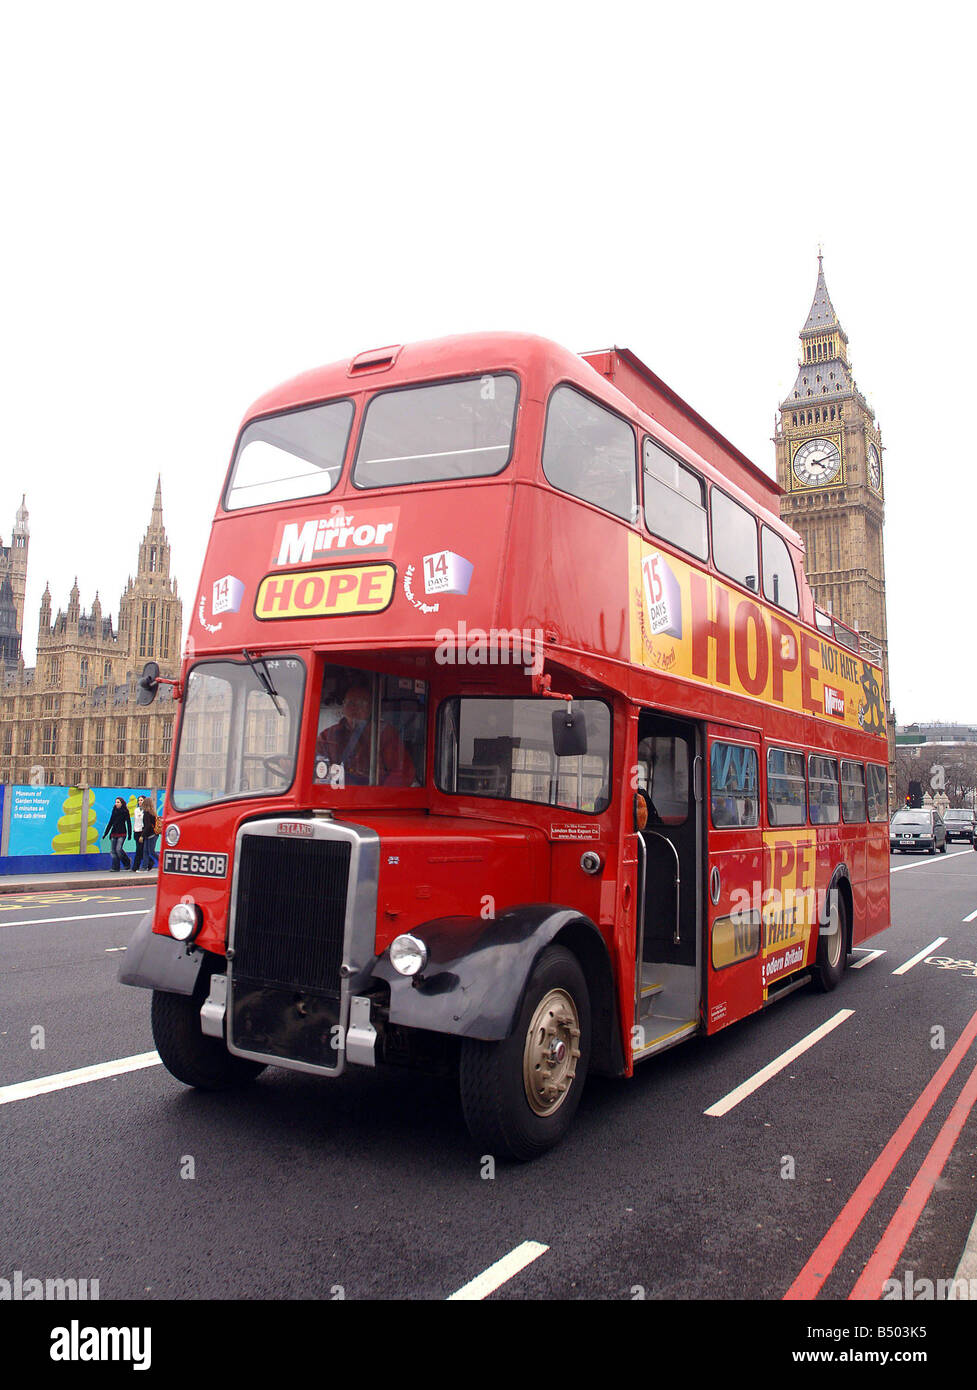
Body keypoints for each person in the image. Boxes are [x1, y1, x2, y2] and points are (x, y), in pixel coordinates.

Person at [315, 685, 416, 786]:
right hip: (335, 791)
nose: (354, 708)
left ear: (371, 708)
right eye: (350, 703)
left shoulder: (385, 733)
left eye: (361, 704)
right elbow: (317, 768)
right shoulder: (328, 735)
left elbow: (404, 775)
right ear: (343, 706)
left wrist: (378, 793)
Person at [102, 797, 132, 871]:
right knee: (113, 851)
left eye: (118, 802)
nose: (116, 804)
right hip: (114, 832)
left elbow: (128, 823)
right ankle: (115, 867)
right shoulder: (114, 810)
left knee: (118, 849)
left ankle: (127, 862)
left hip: (122, 833)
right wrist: (106, 833)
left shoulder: (125, 811)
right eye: (116, 802)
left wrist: (130, 834)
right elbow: (110, 822)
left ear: (122, 803)